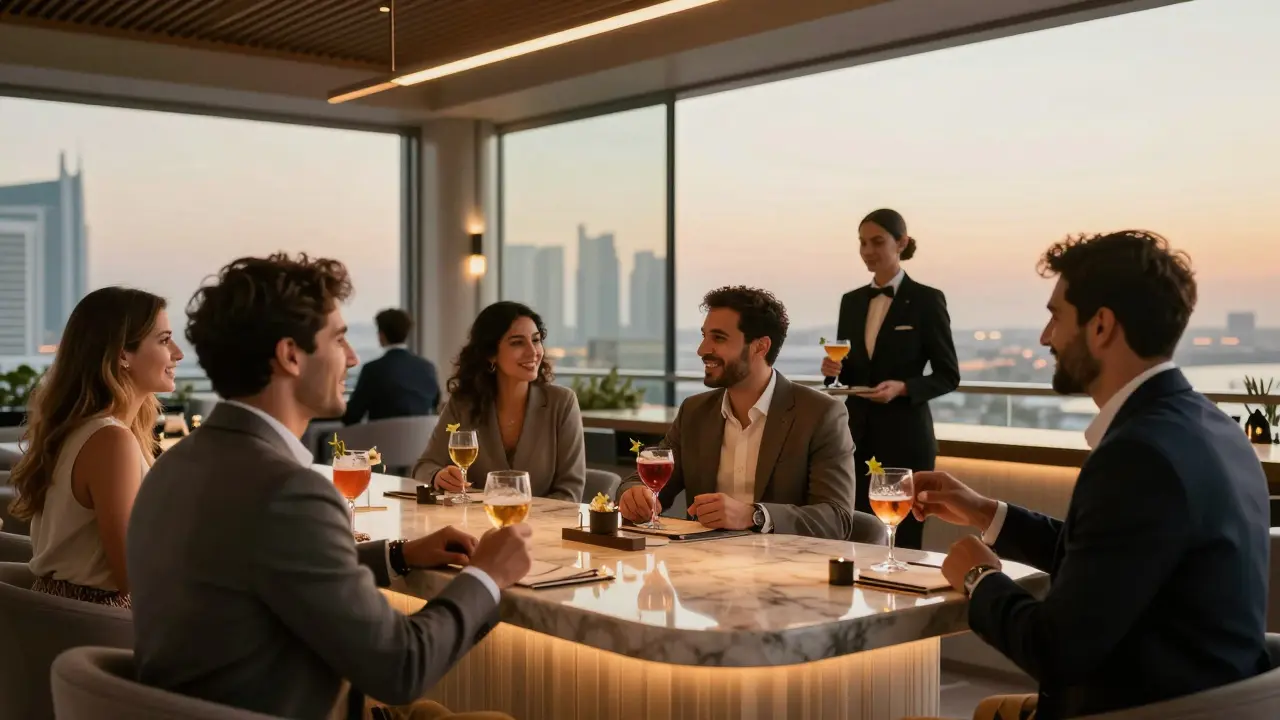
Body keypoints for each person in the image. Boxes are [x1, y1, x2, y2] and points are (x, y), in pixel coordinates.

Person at [128, 254, 533, 720]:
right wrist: (487, 576)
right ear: (290, 355)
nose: (354, 357)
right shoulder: (289, 492)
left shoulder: (175, 465)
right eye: (339, 339)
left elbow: (262, 567)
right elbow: (401, 667)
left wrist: (400, 554)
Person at [913, 231, 1270, 720]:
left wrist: (979, 579)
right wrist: (985, 513)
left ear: (1100, 326)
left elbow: (1054, 651)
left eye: (1055, 316)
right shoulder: (1211, 427)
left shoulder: (1138, 455)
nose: (1045, 337)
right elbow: (1116, 560)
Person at [618, 286, 855, 540]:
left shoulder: (821, 414)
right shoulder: (694, 411)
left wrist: (754, 515)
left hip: (783, 568)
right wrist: (634, 494)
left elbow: (836, 518)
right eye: (704, 336)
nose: (702, 349)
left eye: (718, 338)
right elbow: (644, 480)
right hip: (701, 567)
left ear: (760, 347)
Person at [9, 287, 183, 608]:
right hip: (98, 619)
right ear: (122, 355)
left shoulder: (91, 430)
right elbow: (134, 575)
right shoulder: (110, 441)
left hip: (67, 614)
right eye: (163, 340)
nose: (178, 353)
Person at [822, 208, 958, 549]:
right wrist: (833, 373)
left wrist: (904, 387)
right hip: (855, 438)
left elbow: (947, 375)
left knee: (905, 537)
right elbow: (852, 372)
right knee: (853, 532)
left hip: (905, 439)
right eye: (862, 243)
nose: (868, 251)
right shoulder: (851, 302)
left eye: (877, 241)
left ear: (901, 242)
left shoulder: (927, 300)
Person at [413, 302, 585, 502]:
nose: (533, 352)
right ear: (491, 353)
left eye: (536, 340)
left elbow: (570, 492)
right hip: (475, 528)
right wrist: (438, 477)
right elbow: (424, 466)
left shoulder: (562, 403)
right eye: (517, 343)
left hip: (539, 529)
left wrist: (521, 521)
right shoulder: (463, 404)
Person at [342, 308, 440, 425]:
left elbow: (352, 416)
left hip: (380, 441)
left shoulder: (373, 370)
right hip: (421, 442)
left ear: (381, 335)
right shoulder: (428, 368)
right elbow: (435, 405)